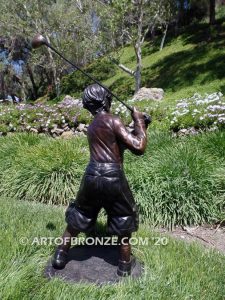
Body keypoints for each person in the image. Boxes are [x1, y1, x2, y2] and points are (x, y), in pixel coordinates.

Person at [52, 83, 148, 277]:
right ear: (106, 100)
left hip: (91, 176)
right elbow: (138, 147)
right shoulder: (113, 120)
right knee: (123, 219)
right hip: (112, 177)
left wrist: (140, 125)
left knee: (78, 215)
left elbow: (117, 138)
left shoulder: (93, 125)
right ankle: (123, 265)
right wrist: (139, 123)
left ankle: (60, 254)